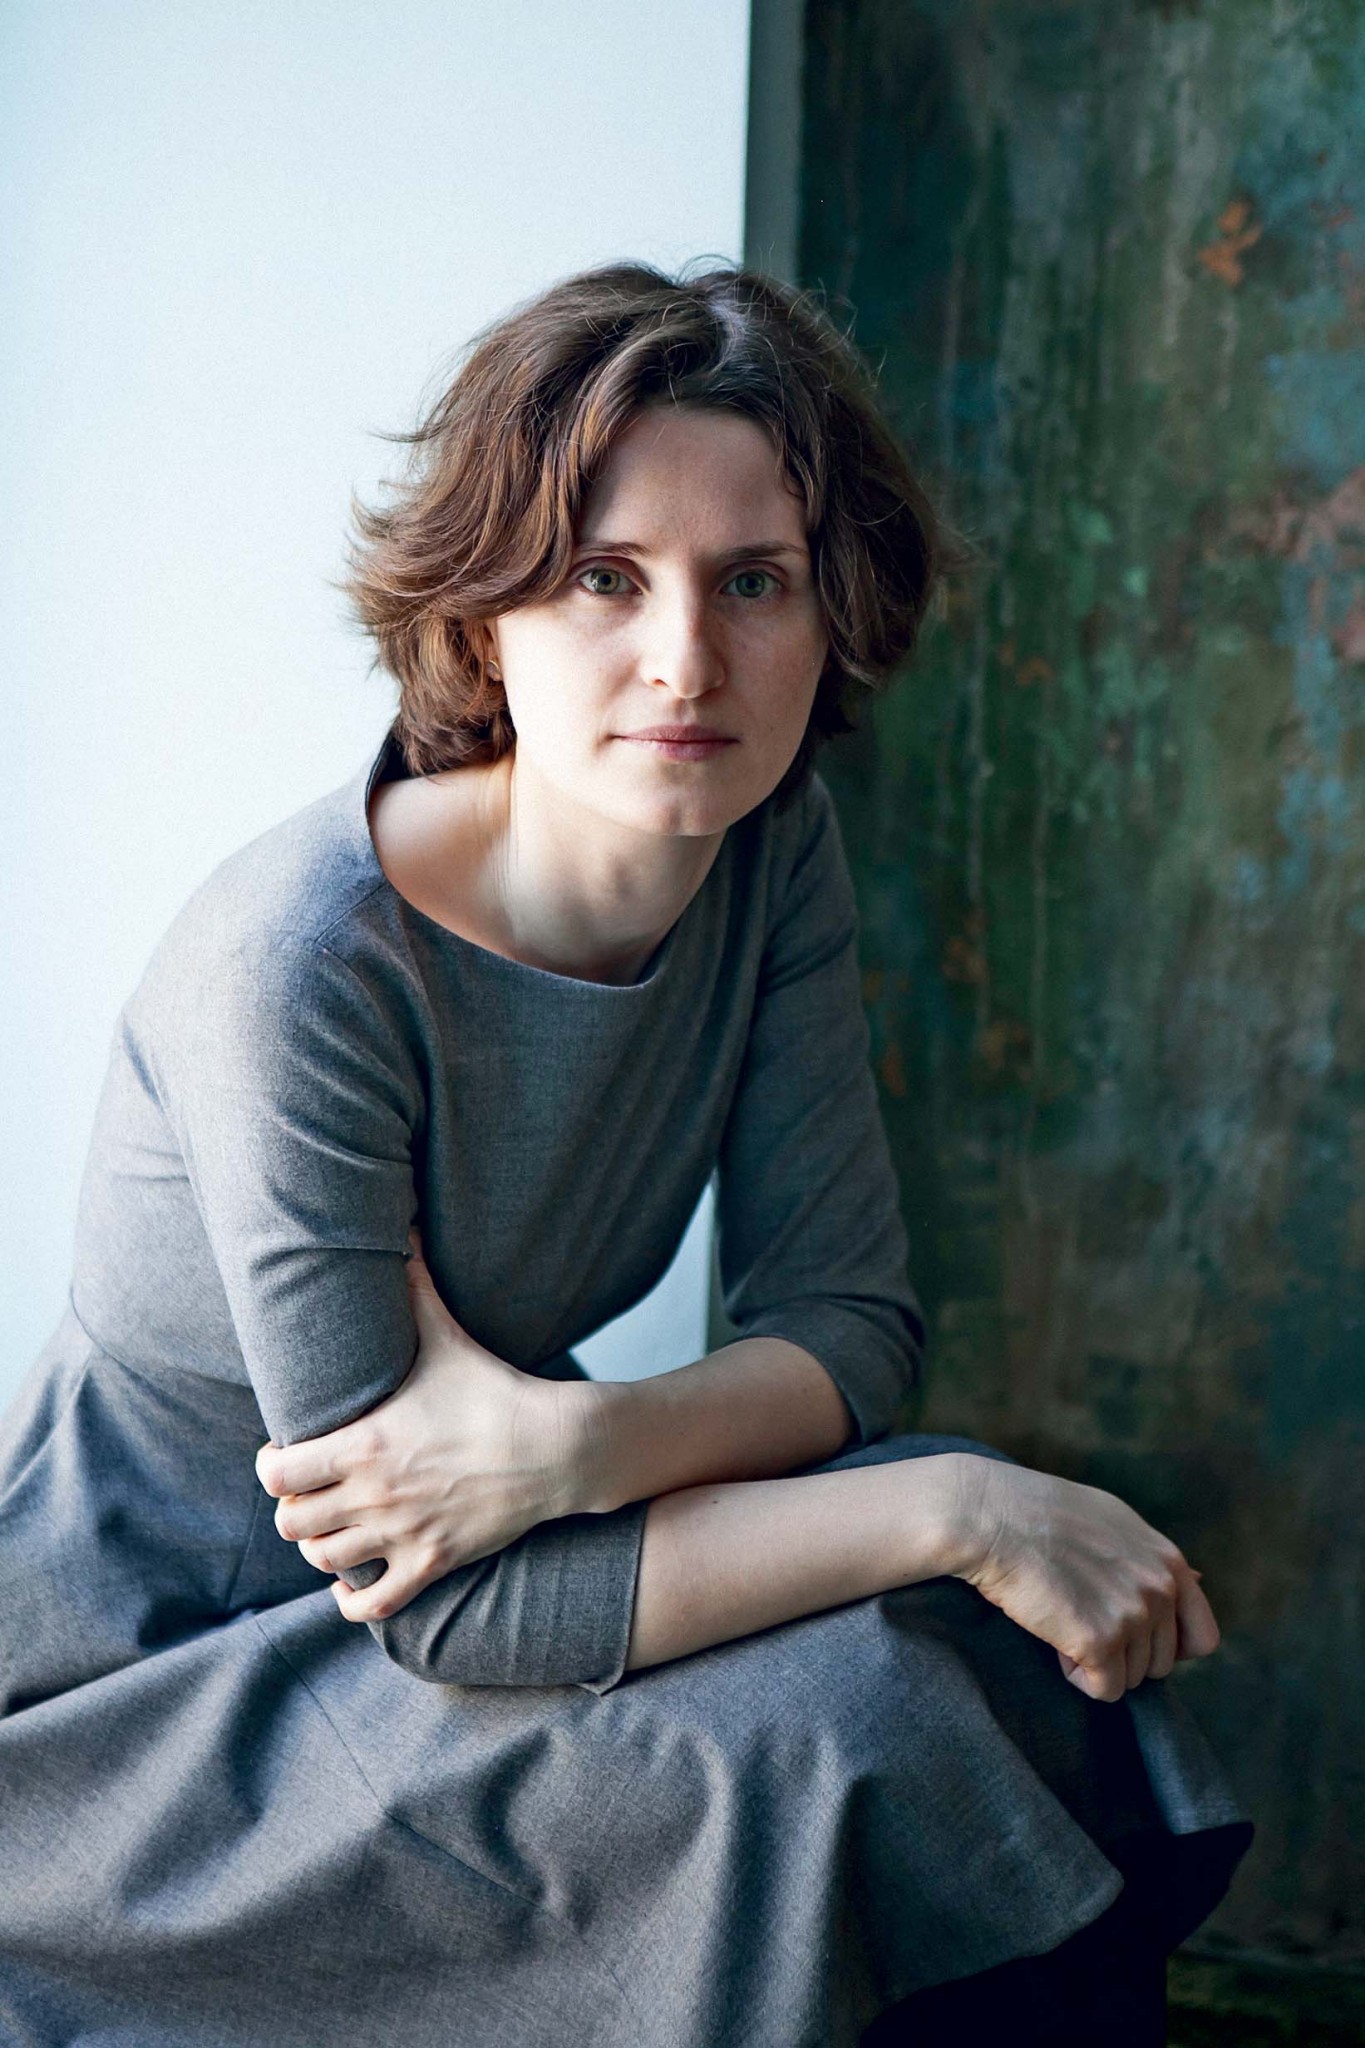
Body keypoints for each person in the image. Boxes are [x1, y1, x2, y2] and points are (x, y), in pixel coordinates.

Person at [0, 262, 1249, 2047]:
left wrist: (575, 1444)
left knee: (974, 1640)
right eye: (604, 577)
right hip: (156, 1700)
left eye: (755, 581)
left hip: (516, 1535)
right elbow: (444, 1604)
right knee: (872, 1674)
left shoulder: (764, 840)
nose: (686, 662)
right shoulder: (299, 972)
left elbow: (849, 1325)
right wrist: (955, 1507)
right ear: (482, 614)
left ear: (830, 609)